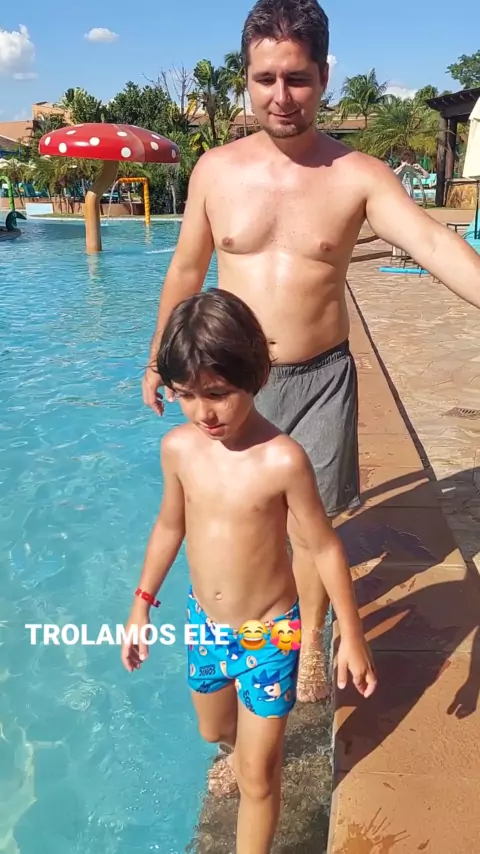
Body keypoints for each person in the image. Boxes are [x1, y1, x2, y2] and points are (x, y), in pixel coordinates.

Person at [141, 0, 480, 705]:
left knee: (313, 524)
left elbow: (432, 242)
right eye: (264, 78)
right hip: (237, 382)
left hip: (320, 376)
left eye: (297, 78)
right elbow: (185, 270)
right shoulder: (215, 170)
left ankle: (312, 635)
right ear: (246, 78)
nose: (281, 96)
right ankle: (256, 634)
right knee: (244, 515)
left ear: (324, 76)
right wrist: (157, 360)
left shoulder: (358, 174)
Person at [122, 290, 376, 848]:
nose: (203, 412)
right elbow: (169, 527)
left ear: (255, 376)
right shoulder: (179, 449)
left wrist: (351, 636)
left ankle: (259, 769)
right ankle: (245, 749)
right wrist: (142, 604)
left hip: (270, 633)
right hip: (205, 625)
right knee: (214, 729)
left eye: (217, 394)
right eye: (186, 395)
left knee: (259, 778)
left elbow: (324, 547)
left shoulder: (282, 459)